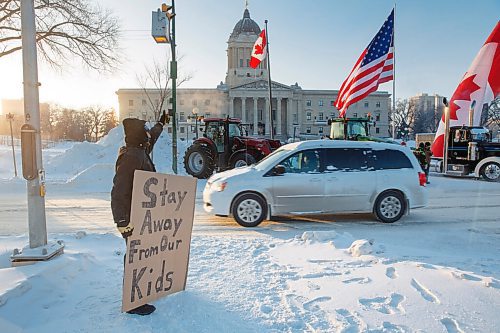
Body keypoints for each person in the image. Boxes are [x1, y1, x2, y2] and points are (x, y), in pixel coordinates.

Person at [111, 113, 167, 316]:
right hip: (133, 219)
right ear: (137, 135)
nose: (147, 133)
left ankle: (141, 292)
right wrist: (123, 222)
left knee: (143, 256)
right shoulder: (131, 157)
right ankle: (134, 302)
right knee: (136, 258)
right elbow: (119, 191)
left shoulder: (139, 151)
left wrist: (160, 124)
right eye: (144, 130)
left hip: (144, 217)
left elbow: (150, 138)